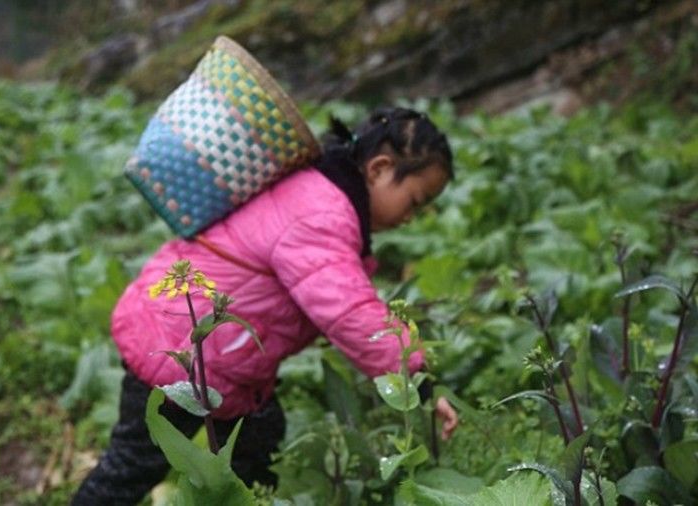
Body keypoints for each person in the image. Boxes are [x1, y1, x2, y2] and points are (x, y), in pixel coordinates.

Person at [72, 107, 459, 504]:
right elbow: (350, 313)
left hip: (212, 356)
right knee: (135, 465)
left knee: (257, 441)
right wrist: (418, 379)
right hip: (180, 352)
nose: (412, 217)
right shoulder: (322, 213)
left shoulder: (314, 190)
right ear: (379, 169)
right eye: (415, 200)